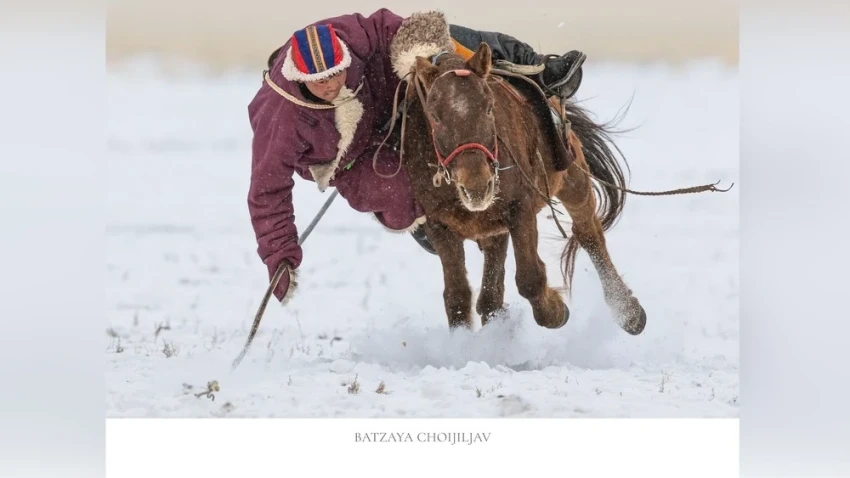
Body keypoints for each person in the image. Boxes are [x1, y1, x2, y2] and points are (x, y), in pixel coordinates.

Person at [247, 9, 587, 303]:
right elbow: (267, 192)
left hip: (389, 98)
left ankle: (538, 68)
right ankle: (426, 225)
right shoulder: (280, 118)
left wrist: (427, 49)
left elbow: (391, 26)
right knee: (398, 194)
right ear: (299, 77)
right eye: (319, 82)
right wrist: (280, 258)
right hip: (352, 157)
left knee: (445, 42)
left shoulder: (352, 37)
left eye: (336, 72)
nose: (331, 84)